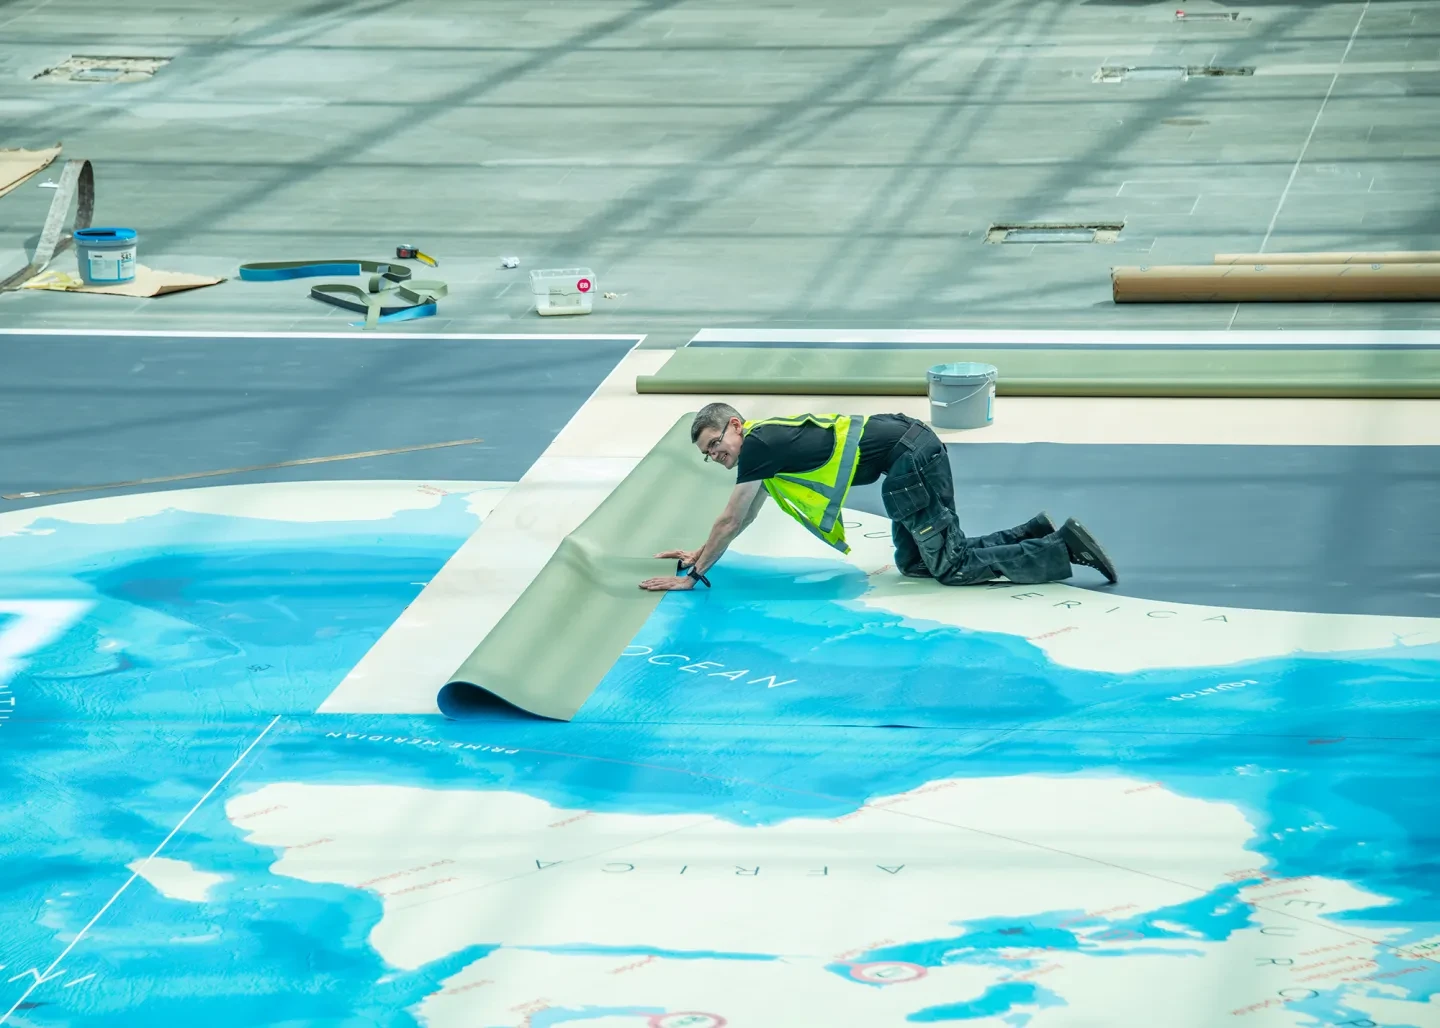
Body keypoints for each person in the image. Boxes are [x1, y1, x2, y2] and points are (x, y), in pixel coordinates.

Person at [638, 403, 1118, 592]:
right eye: (708, 455)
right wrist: (701, 555)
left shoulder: (759, 446)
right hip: (910, 455)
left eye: (714, 446)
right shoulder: (765, 444)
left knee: (948, 569)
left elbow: (729, 518)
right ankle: (1033, 533)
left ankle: (1062, 548)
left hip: (911, 461)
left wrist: (693, 576)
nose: (715, 456)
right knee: (917, 564)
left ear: (735, 427)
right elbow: (739, 521)